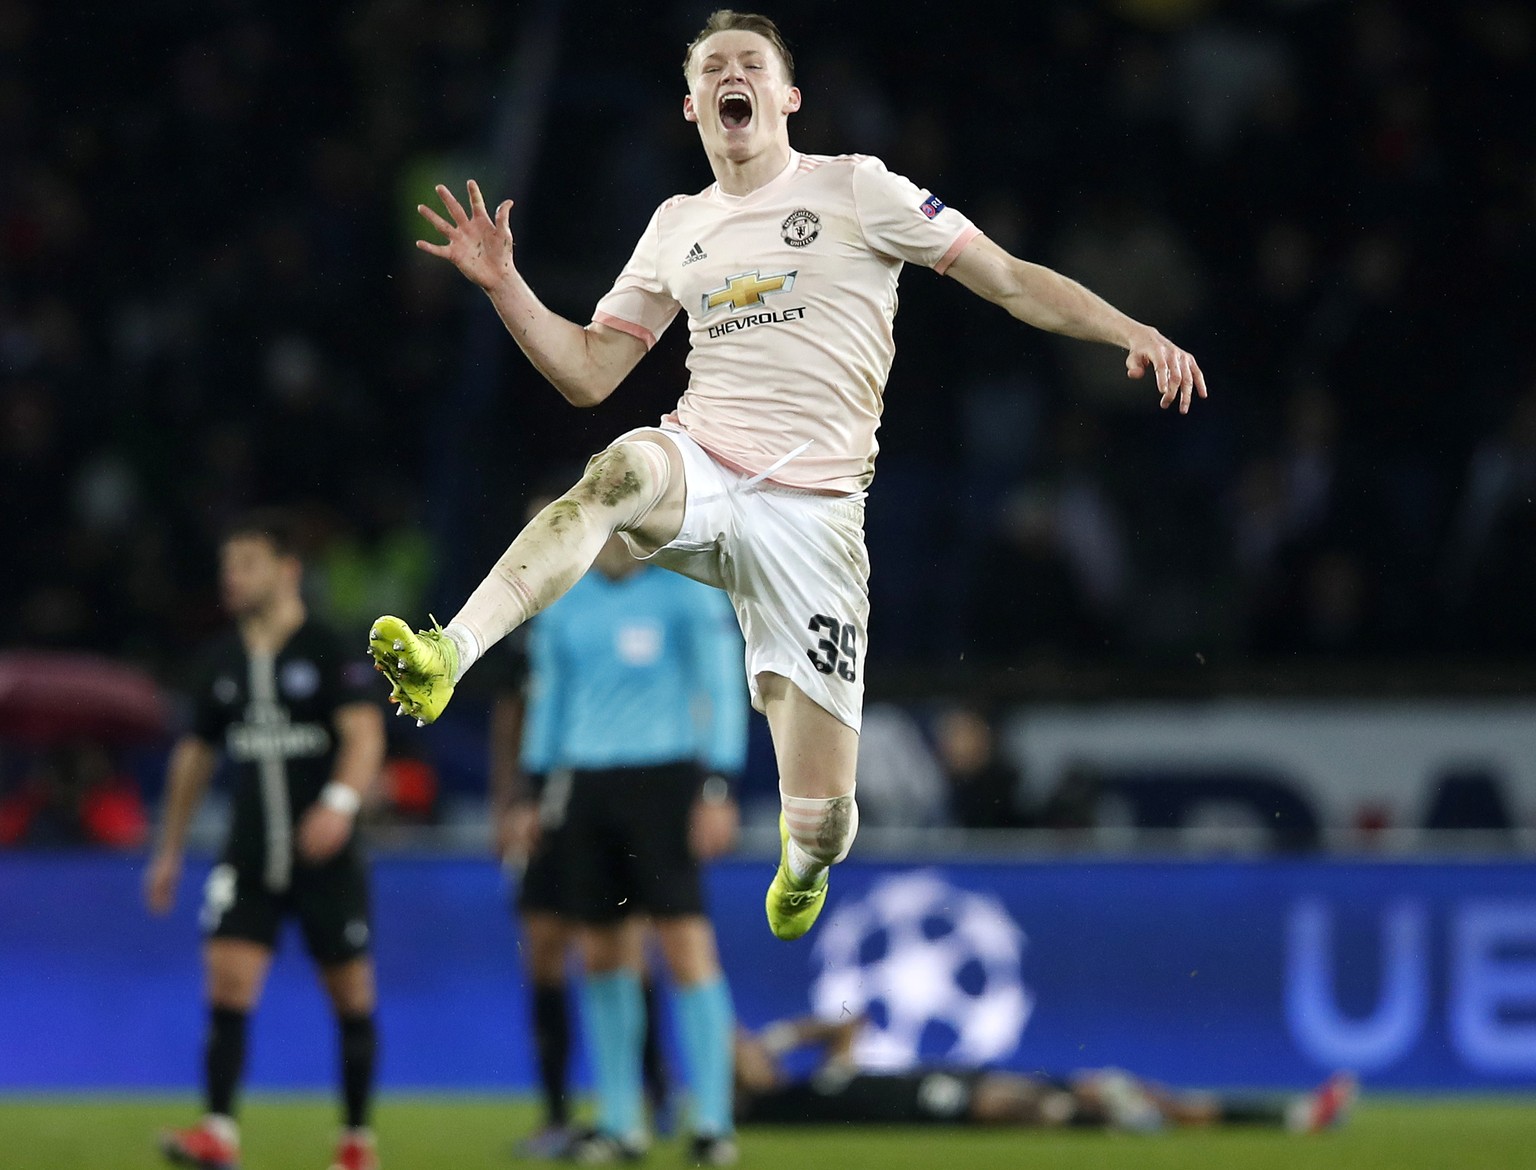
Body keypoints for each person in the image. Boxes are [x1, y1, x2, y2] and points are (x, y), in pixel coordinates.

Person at [369, 9, 1208, 945]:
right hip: (707, 462)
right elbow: (591, 373)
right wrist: (506, 287)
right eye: (712, 66)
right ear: (692, 106)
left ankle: (805, 860)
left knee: (823, 817)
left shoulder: (859, 190)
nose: (733, 74)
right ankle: (450, 655)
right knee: (613, 475)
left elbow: (1009, 279)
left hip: (814, 519)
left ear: (787, 96)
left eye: (751, 63)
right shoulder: (676, 225)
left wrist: (1132, 329)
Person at [492, 527, 748, 1164]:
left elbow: (722, 688)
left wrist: (717, 783)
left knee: (685, 944)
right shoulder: (563, 604)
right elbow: (548, 704)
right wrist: (531, 791)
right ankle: (619, 1122)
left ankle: (714, 1123)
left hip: (664, 781)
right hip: (583, 785)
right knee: (603, 952)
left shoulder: (689, 594)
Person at [144, 512, 387, 1170]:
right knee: (226, 986)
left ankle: (356, 1142)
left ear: (287, 571)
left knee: (351, 997)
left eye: (246, 563)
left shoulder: (327, 648)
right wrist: (168, 850)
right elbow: (193, 758)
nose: (231, 577)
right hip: (249, 851)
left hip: (326, 856)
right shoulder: (219, 659)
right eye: (228, 566)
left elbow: (365, 735)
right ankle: (218, 1132)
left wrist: (339, 804)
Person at [732, 1014, 1357, 1134]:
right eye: (741, 1056)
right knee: (1015, 1103)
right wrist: (757, 1056)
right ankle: (1094, 1118)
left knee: (1130, 1087)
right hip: (935, 1104)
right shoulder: (784, 1107)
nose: (752, 1050)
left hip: (954, 1082)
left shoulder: (817, 1081)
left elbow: (849, 1026)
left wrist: (780, 1037)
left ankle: (1288, 1115)